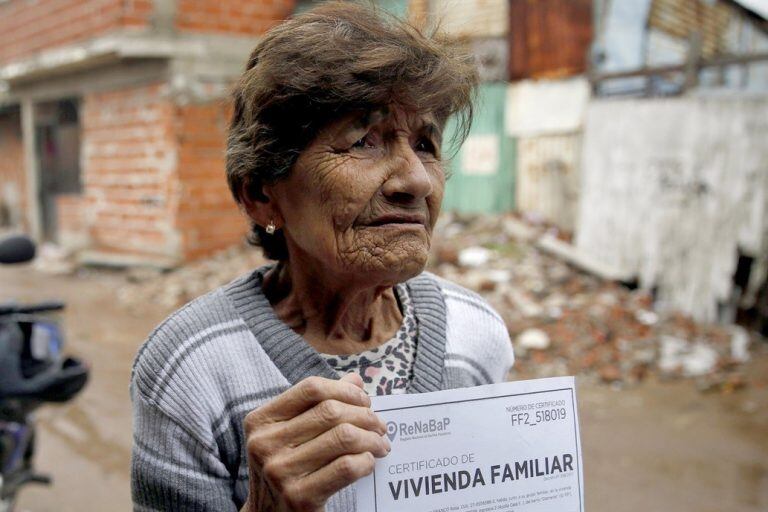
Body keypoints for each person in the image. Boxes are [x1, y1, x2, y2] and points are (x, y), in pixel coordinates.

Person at [130, 2, 514, 511]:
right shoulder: (191, 368)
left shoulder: (477, 333)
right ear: (261, 194)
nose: (416, 180)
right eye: (362, 141)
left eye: (425, 143)